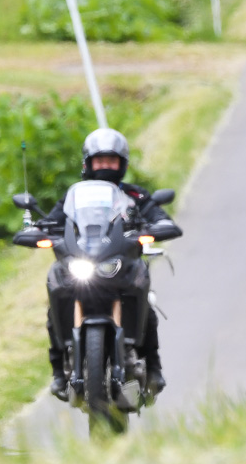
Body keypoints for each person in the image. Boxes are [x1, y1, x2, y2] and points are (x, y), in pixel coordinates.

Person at [39, 128, 182, 401]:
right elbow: (53, 220)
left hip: (122, 265)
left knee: (146, 302)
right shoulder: (74, 196)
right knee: (55, 291)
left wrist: (161, 225)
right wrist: (38, 231)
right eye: (100, 160)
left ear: (122, 164)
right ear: (88, 163)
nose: (105, 166)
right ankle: (58, 371)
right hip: (82, 263)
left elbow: (158, 214)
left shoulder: (135, 196)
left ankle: (153, 367)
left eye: (111, 161)